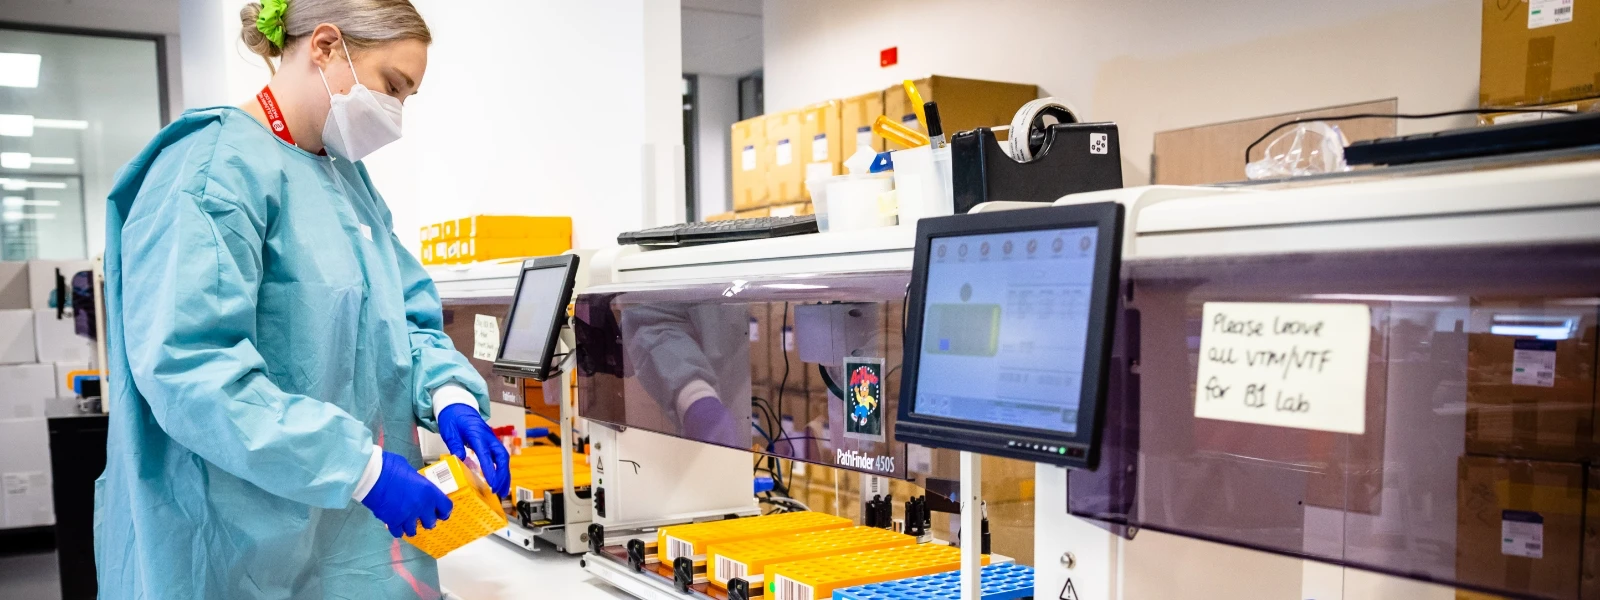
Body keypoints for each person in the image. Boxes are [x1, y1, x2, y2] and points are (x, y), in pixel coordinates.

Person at [95, 1, 510, 597]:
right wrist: (359, 467)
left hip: (346, 544)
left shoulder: (345, 182)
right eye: (392, 86)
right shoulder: (212, 169)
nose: (395, 113)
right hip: (235, 545)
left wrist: (447, 395)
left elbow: (403, 315)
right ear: (324, 46)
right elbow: (192, 368)